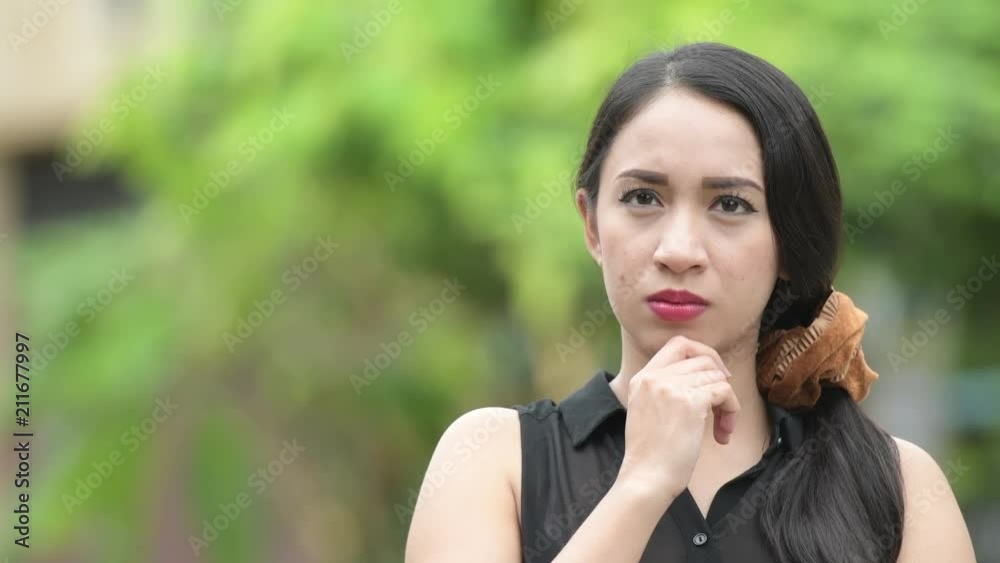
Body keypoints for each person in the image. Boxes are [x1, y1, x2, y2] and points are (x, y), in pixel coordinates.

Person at [404, 42, 977, 563]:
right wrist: (642, 484)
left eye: (730, 204)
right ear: (592, 225)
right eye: (642, 197)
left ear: (788, 241)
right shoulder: (494, 460)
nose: (679, 250)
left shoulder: (900, 489)